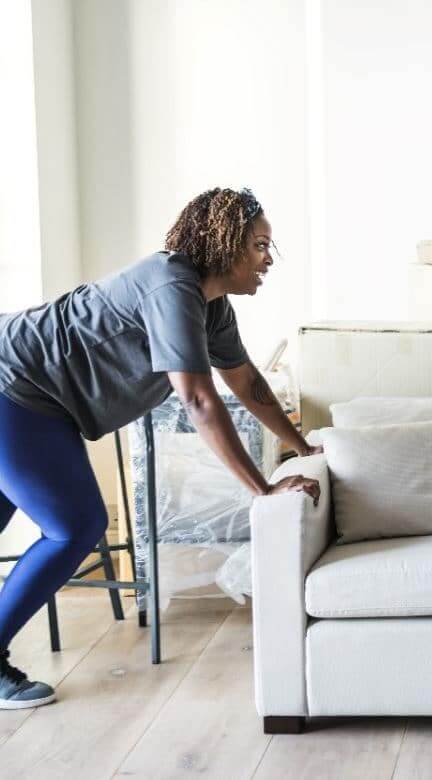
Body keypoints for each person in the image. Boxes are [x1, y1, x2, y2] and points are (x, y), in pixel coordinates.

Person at [0, 188, 321, 709]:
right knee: (75, 525)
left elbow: (245, 383)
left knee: (59, 522)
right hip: (13, 386)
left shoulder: (211, 309)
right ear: (225, 243)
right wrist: (261, 489)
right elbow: (198, 400)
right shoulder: (172, 285)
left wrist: (303, 444)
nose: (268, 259)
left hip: (42, 405)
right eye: (261, 245)